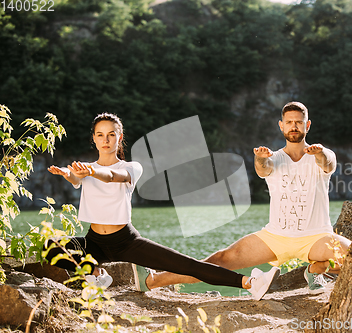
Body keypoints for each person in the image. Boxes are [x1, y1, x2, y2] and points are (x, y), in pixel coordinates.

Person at [44, 113, 279, 300]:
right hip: (94, 241)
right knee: (51, 247)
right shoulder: (86, 168)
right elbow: (77, 180)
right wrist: (68, 174)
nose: (105, 140)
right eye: (100, 135)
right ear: (93, 138)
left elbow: (112, 176)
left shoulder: (132, 167)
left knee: (188, 265)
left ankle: (249, 283)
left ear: (119, 136)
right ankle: (97, 274)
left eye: (111, 135)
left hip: (126, 242)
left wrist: (92, 171)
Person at [144, 101, 352, 293]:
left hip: (316, 238)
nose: (294, 126)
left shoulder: (322, 153)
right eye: (289, 122)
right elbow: (263, 170)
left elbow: (327, 164)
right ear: (281, 125)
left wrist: (319, 153)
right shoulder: (274, 158)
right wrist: (260, 158)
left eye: (299, 122)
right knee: (220, 259)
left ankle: (317, 269)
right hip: (275, 237)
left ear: (307, 125)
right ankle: (154, 280)